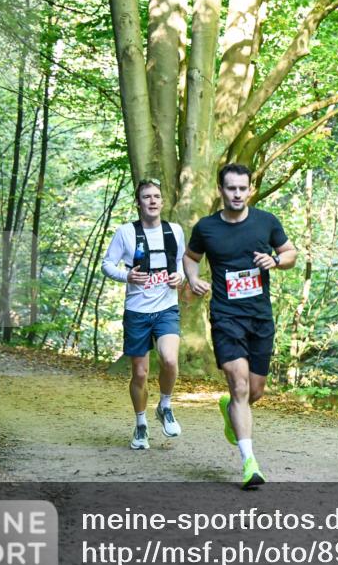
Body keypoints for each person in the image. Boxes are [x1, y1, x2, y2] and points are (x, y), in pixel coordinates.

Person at [184, 163, 297, 490]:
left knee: (254, 391)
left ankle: (230, 409)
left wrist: (275, 261)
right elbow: (191, 257)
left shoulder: (266, 222)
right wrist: (193, 279)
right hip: (226, 316)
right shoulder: (206, 228)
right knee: (239, 384)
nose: (236, 194)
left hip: (260, 317)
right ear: (221, 190)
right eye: (230, 188)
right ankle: (250, 463)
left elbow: (290, 253)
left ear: (250, 189)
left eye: (242, 188)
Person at [102, 178, 185, 450]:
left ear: (162, 202)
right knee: (139, 373)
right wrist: (127, 275)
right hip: (137, 312)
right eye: (146, 196)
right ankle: (140, 424)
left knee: (170, 359)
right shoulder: (125, 232)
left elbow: (182, 266)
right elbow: (107, 265)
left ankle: (165, 405)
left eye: (156, 196)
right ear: (138, 203)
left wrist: (179, 278)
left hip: (166, 308)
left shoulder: (174, 231)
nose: (152, 200)